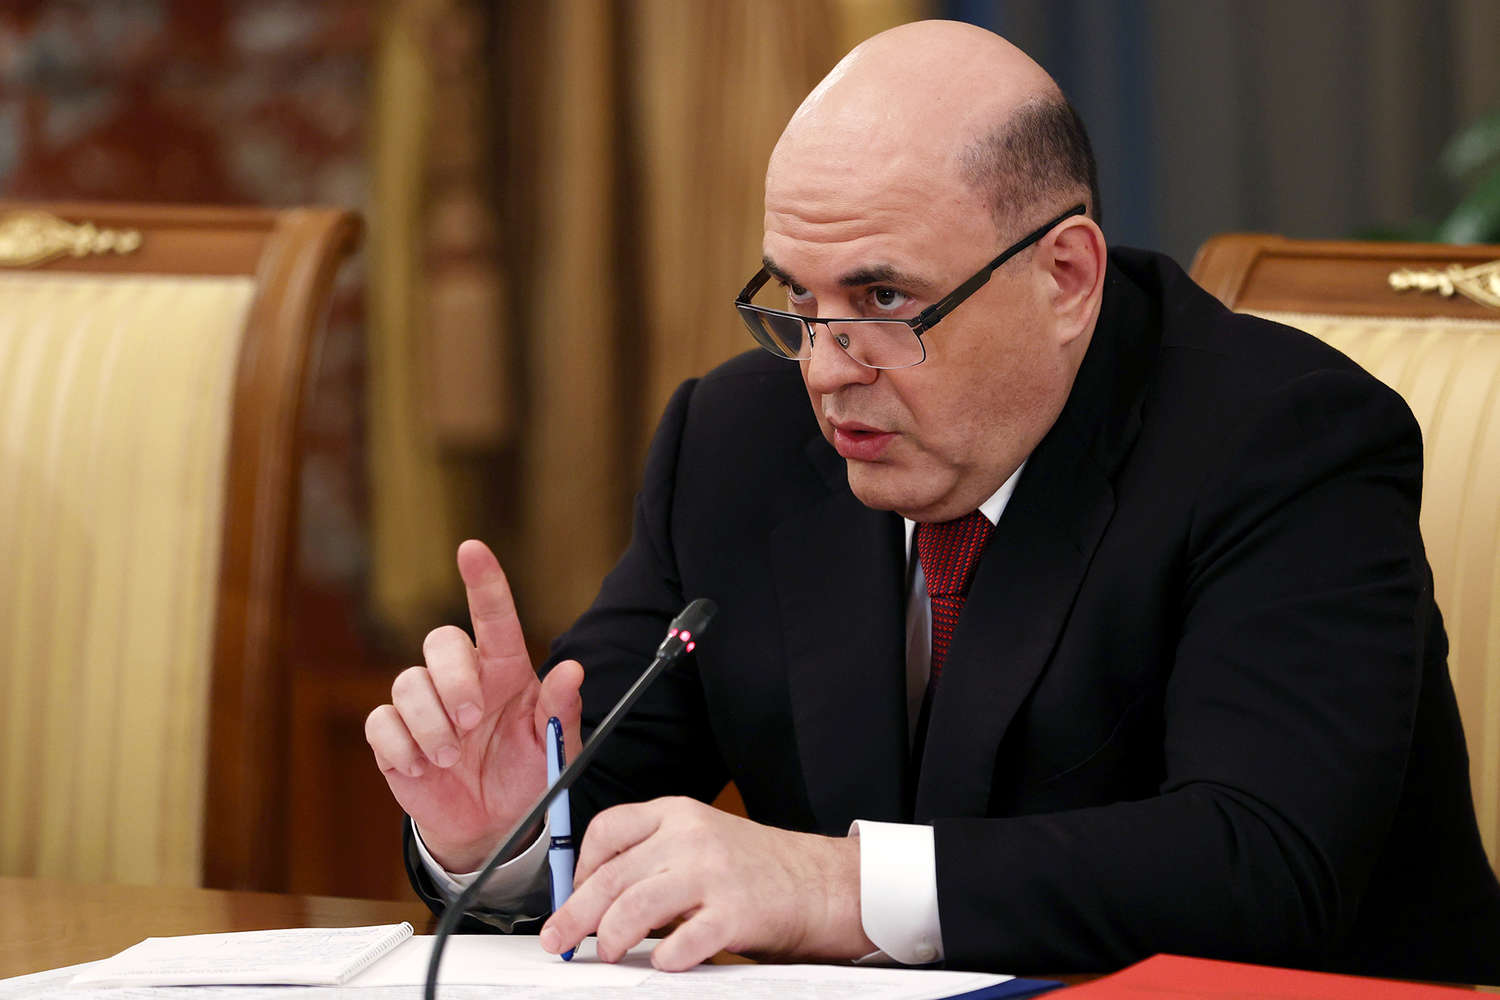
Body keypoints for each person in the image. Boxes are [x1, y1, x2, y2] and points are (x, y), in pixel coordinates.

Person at [364, 19, 1500, 981]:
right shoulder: (737, 443)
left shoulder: (1282, 441)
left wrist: (836, 885)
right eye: (797, 298)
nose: (825, 368)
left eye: (882, 298)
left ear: (1066, 277)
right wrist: (503, 829)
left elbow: (1263, 867)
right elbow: (598, 794)